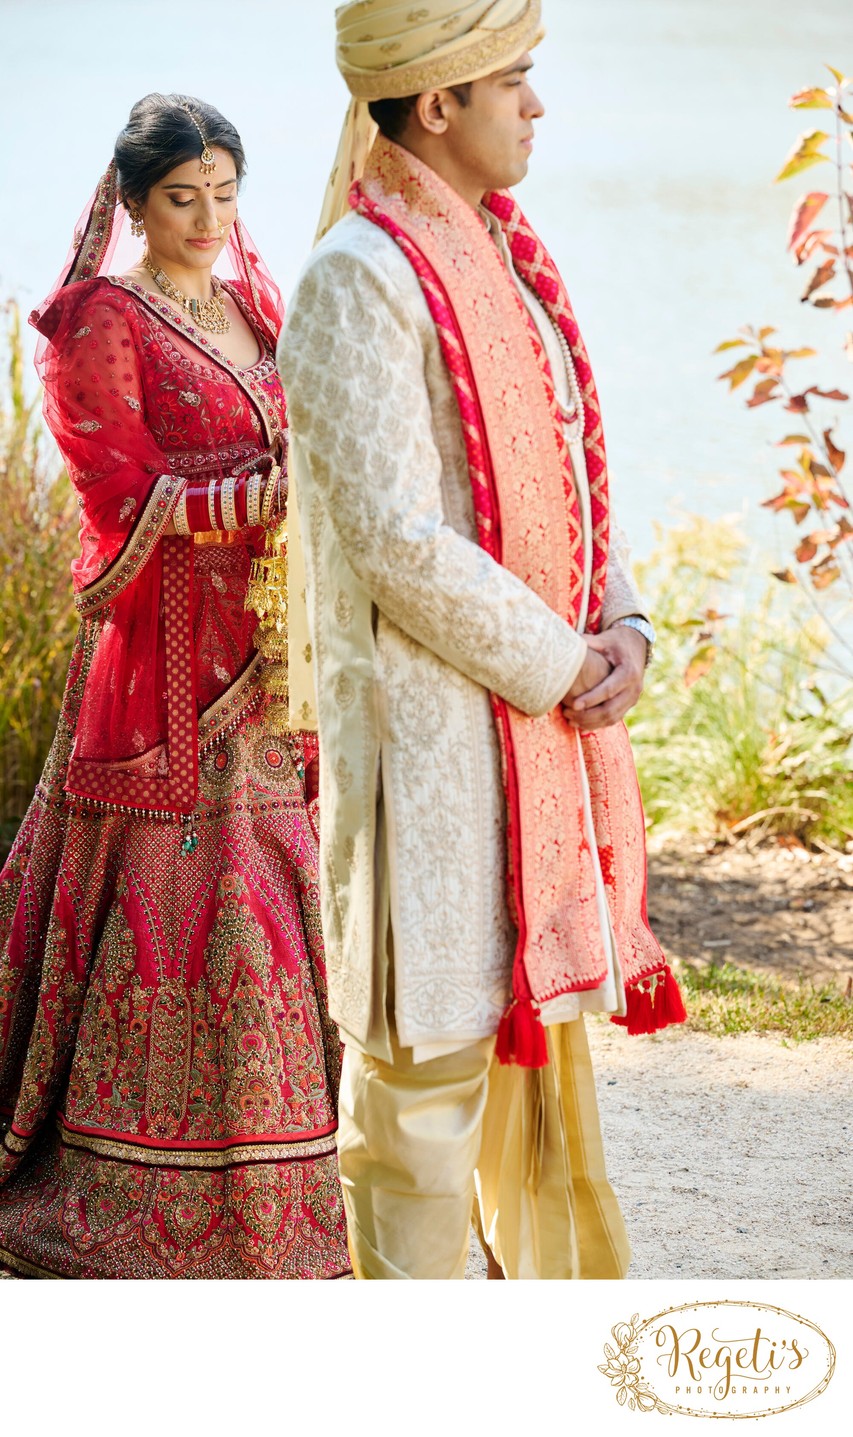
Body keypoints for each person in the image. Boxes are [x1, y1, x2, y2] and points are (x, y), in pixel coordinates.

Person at [277, 0, 686, 1280]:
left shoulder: (501, 254)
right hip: (433, 747)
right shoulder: (360, 274)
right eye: (514, 79)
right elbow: (398, 542)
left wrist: (619, 620)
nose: (538, 105)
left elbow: (565, 477)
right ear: (436, 102)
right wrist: (566, 665)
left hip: (532, 730)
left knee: (522, 1069)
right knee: (421, 1096)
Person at [0, 94, 350, 1279]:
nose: (208, 219)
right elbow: (113, 495)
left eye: (225, 195)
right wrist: (249, 501)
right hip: (163, 670)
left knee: (277, 909)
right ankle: (124, 1187)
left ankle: (287, 1191)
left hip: (268, 662)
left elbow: (305, 439)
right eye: (182, 199)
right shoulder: (99, 317)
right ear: (134, 203)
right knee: (186, 911)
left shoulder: (257, 305)